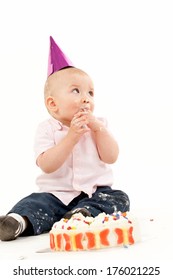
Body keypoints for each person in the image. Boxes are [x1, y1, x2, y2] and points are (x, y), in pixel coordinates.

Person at [0, 36, 130, 241]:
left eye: (91, 92)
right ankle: (17, 222)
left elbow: (111, 157)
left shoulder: (99, 125)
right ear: (53, 104)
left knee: (118, 198)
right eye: (76, 91)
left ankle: (81, 216)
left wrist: (98, 129)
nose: (86, 98)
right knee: (35, 203)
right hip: (55, 195)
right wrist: (71, 137)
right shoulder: (46, 129)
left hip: (94, 194)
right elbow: (47, 165)